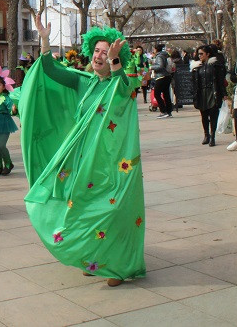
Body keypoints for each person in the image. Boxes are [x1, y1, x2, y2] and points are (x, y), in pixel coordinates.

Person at [19, 14, 145, 287]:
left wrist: (116, 61)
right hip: (81, 156)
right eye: (97, 51)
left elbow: (124, 83)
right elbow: (50, 70)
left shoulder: (120, 85)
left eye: (107, 52)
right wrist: (43, 40)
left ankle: (115, 266)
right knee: (80, 205)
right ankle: (92, 258)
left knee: (111, 207)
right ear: (90, 53)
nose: (101, 55)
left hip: (113, 159)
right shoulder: (82, 82)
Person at [192, 45, 226, 147]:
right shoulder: (196, 67)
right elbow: (194, 82)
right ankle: (206, 135)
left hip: (212, 92)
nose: (200, 56)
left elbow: (220, 81)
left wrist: (224, 94)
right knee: (204, 115)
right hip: (201, 93)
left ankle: (213, 136)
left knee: (213, 114)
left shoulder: (215, 66)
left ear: (208, 54)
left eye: (201, 54)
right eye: (198, 54)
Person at [151, 43, 174, 118]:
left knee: (157, 94)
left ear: (156, 49)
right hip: (167, 76)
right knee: (166, 94)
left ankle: (163, 111)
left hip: (161, 76)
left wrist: (152, 67)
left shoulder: (159, 56)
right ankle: (168, 111)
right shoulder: (165, 55)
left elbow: (160, 66)